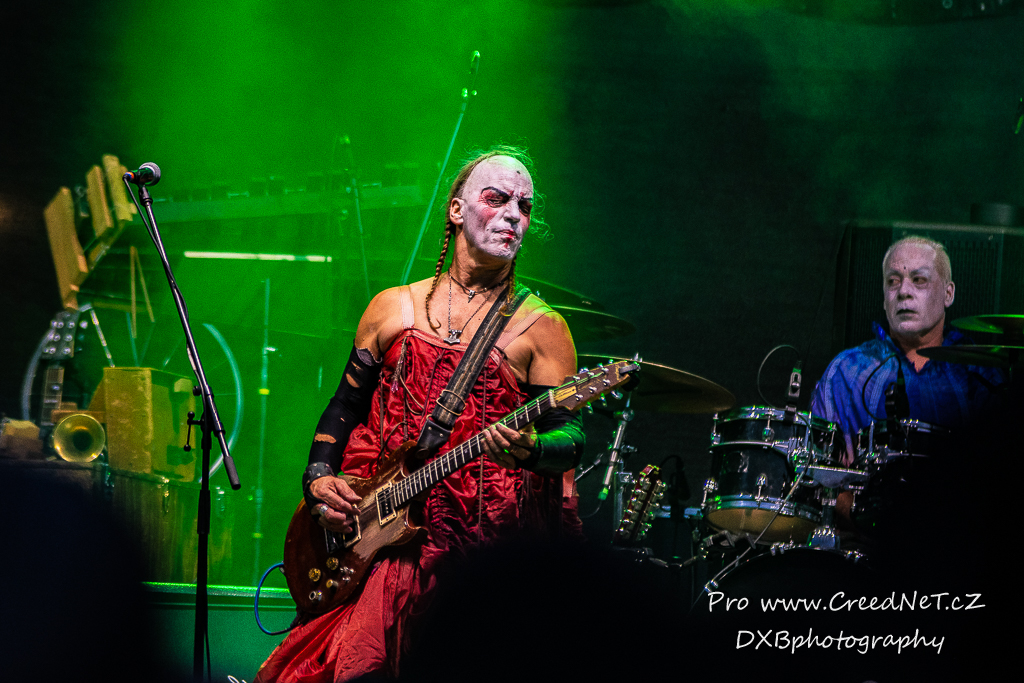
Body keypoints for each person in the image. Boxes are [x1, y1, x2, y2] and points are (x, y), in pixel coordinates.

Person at [255, 146, 585, 682]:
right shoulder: (393, 305)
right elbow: (345, 405)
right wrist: (317, 480)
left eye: (523, 206)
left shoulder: (542, 328)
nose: (512, 215)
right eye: (496, 199)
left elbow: (570, 436)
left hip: (478, 544)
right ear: (456, 210)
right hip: (378, 530)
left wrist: (532, 449)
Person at [811, 235, 1003, 464]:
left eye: (919, 280)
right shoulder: (846, 371)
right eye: (893, 281)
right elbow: (819, 471)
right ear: (884, 299)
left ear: (948, 294)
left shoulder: (980, 374)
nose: (903, 291)